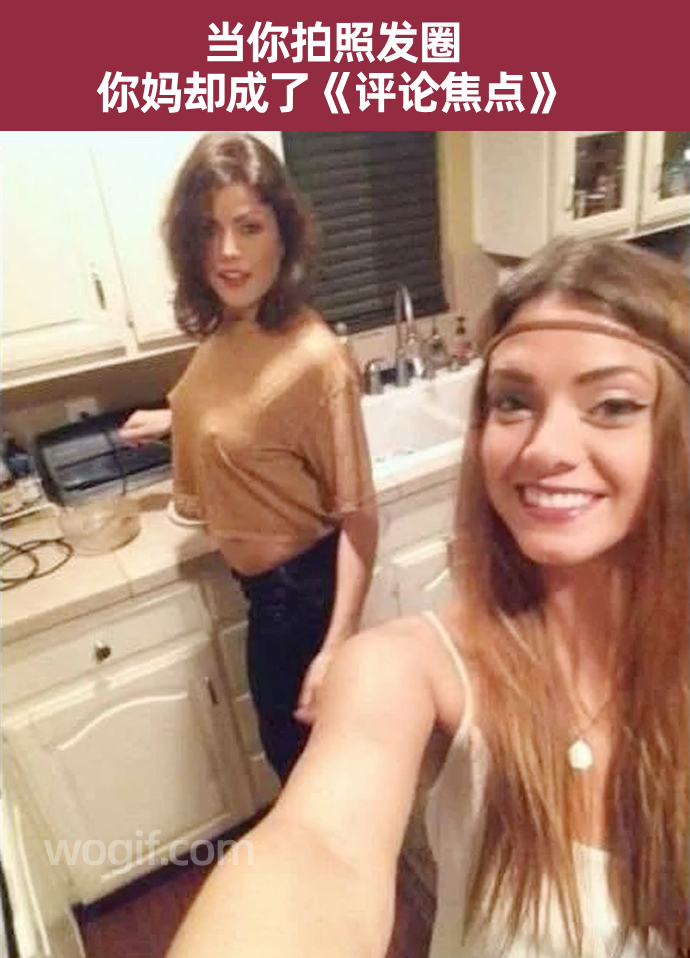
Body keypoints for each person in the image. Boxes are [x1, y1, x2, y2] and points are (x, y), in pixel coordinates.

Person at [164, 236, 689, 958]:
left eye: (612, 405)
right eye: (513, 401)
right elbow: (319, 848)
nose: (545, 447)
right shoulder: (413, 667)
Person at [119, 133, 378, 783]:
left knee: (313, 774)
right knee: (295, 762)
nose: (228, 251)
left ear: (283, 237)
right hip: (264, 595)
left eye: (249, 227)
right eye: (209, 229)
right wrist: (175, 418)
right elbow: (243, 409)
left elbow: (361, 518)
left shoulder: (316, 361)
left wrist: (335, 645)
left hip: (303, 602)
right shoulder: (230, 326)